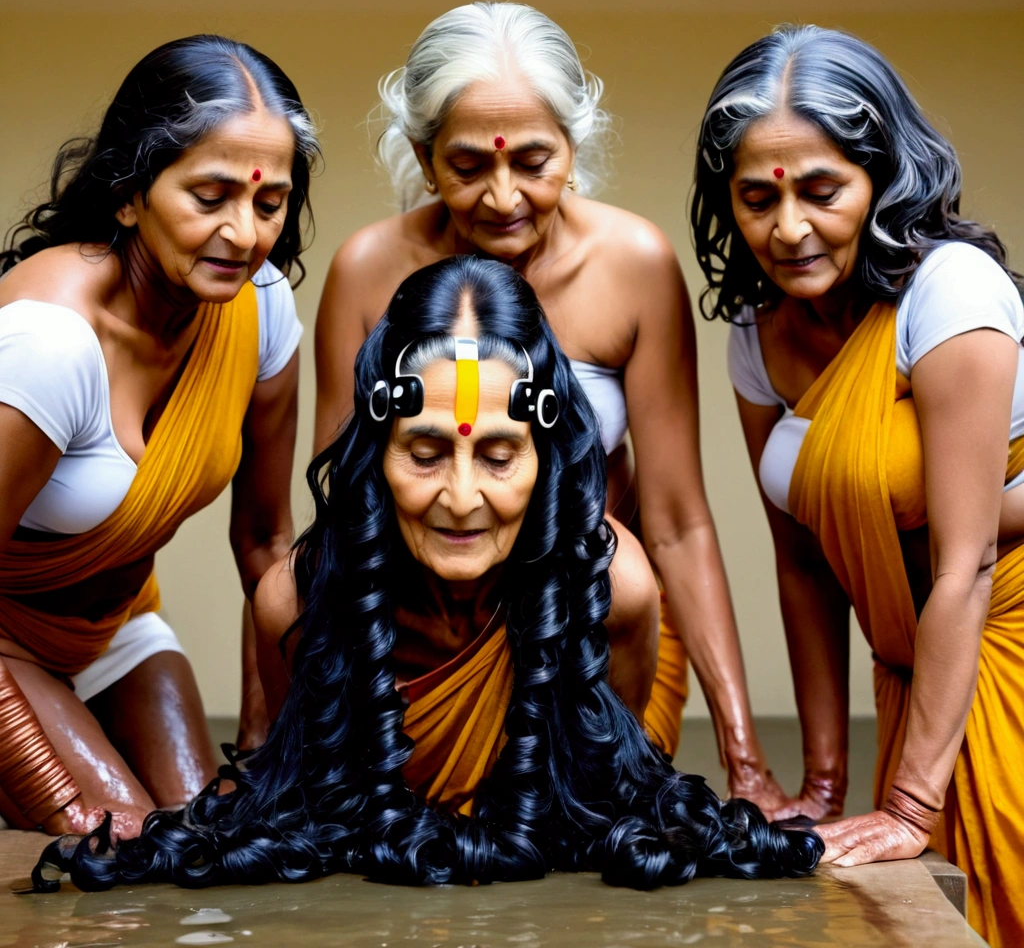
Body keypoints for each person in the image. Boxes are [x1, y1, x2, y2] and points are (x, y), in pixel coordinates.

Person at [33, 255, 823, 892]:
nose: (462, 497)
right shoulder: (295, 604)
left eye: (500, 453)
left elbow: (600, 778)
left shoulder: (614, 590)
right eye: (425, 450)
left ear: (544, 458)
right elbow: (317, 788)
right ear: (376, 451)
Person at [314, 2, 790, 812]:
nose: (503, 198)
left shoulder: (633, 265)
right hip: (416, 640)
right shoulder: (369, 269)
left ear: (574, 148)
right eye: (468, 167)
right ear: (426, 159)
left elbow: (676, 522)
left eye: (533, 161)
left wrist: (747, 762)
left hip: (595, 631)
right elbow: (346, 497)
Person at [693, 23, 1023, 946]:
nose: (788, 227)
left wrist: (912, 805)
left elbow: (967, 561)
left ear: (884, 177)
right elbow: (804, 561)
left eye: (822, 189)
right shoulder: (758, 333)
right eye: (757, 197)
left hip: (1001, 637)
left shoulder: (949, 292)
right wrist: (823, 786)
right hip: (914, 666)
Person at [0, 35, 316, 840]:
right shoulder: (49, 345)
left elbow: (266, 542)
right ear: (129, 194)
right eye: (209, 196)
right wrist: (58, 798)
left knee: (215, 842)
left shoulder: (261, 308)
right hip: (6, 642)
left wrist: (269, 753)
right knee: (130, 852)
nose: (243, 234)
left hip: (116, 625)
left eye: (268, 203)